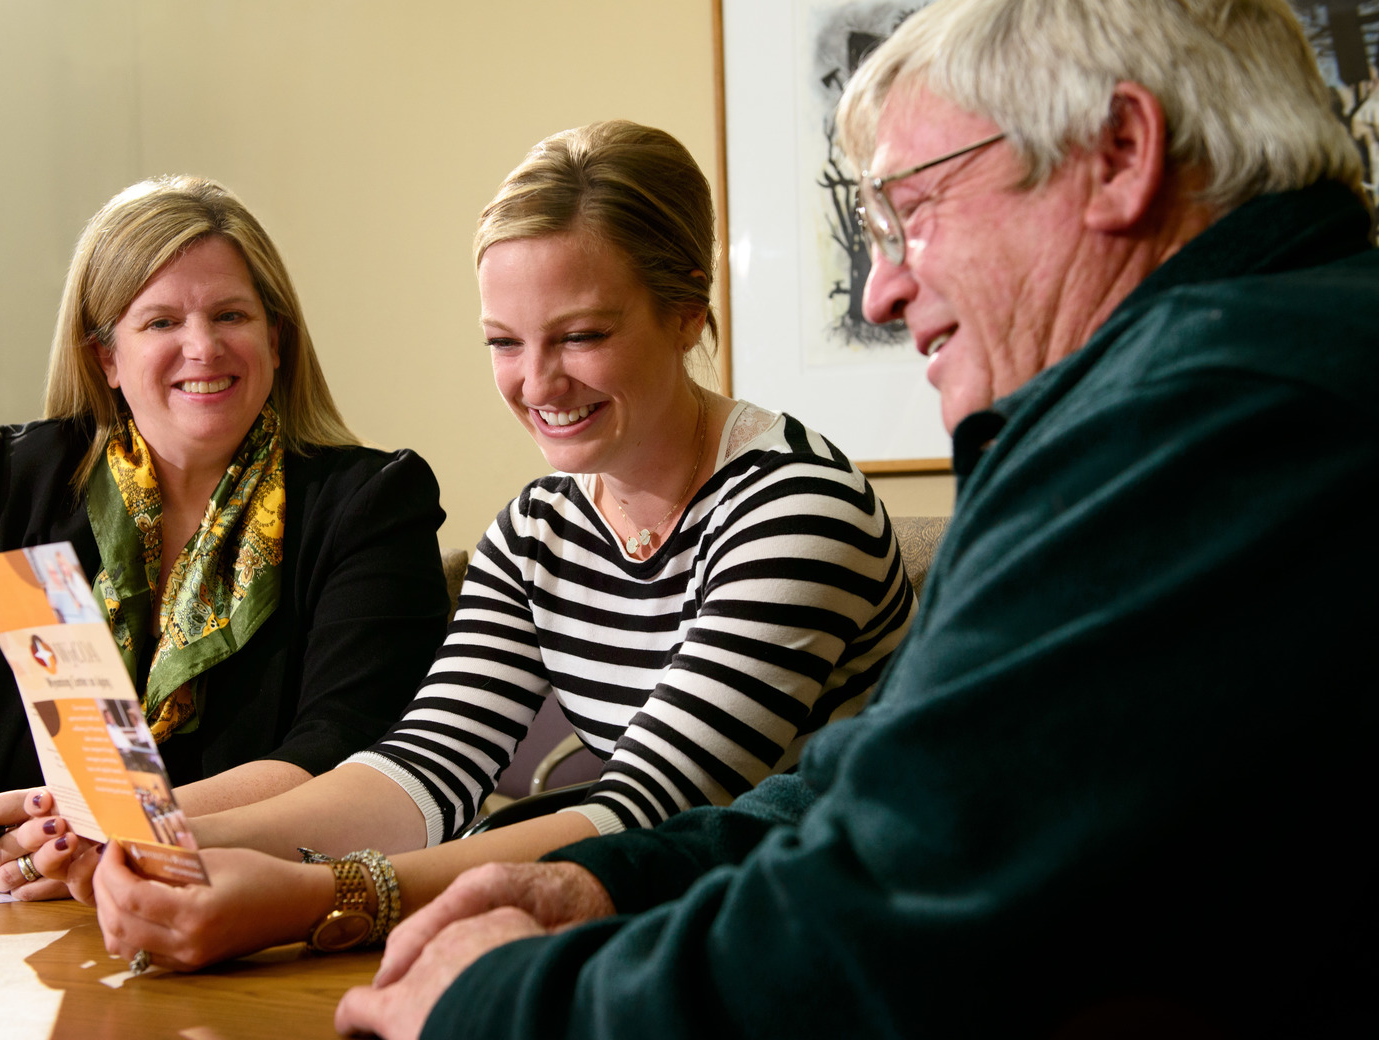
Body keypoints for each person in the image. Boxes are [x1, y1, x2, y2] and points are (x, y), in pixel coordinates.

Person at [330, 2, 1379, 1037]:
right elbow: (877, 788)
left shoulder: (1221, 407)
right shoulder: (1221, 373)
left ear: (1118, 154)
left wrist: (493, 999)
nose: (879, 290)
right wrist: (601, 882)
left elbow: (882, 929)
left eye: (914, 209)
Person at [0, 120, 917, 966]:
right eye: (504, 343)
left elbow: (651, 813)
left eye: (580, 334)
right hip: (674, 936)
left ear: (687, 311)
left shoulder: (796, 509)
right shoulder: (537, 529)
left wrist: (320, 896)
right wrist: (146, 832)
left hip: (836, 953)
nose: (537, 382)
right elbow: (423, 773)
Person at [0, 175, 452, 894]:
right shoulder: (16, 488)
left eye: (231, 315)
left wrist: (108, 830)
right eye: (160, 322)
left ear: (275, 337)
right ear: (105, 358)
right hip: (0, 938)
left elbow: (346, 755)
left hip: (244, 930)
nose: (202, 348)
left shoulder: (370, 502)